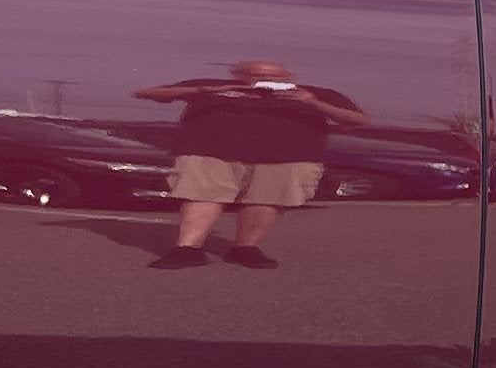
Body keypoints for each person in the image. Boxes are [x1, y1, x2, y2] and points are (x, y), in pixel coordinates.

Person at [133, 61, 362, 267]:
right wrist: (202, 91)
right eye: (256, 74)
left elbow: (357, 120)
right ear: (238, 74)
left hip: (288, 157)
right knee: (201, 196)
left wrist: (313, 103)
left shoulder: (316, 93)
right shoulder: (212, 86)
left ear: (288, 76)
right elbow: (146, 93)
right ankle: (187, 249)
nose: (266, 79)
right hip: (209, 152)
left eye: (275, 75)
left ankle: (245, 248)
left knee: (267, 200)